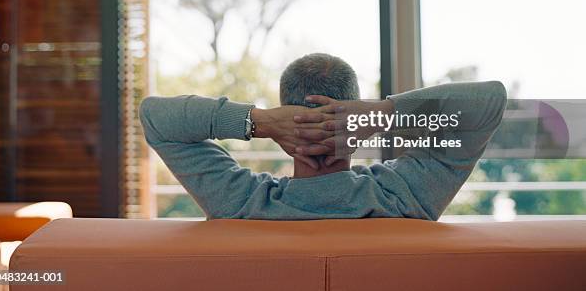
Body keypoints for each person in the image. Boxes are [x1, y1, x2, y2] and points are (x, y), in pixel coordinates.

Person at [140, 53, 507, 220]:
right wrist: (382, 114)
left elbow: (155, 117)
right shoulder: (406, 198)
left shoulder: (241, 204)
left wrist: (260, 122)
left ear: (286, 109)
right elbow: (489, 103)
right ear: (355, 110)